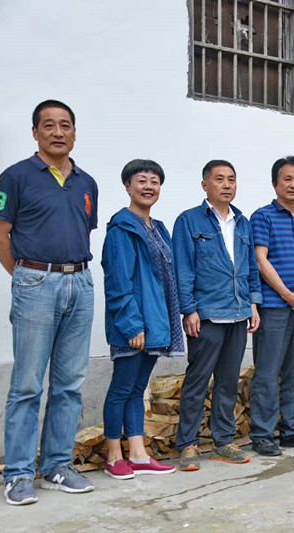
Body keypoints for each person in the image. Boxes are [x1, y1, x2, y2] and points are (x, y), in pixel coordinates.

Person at [0, 100, 98, 505]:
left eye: (65, 125)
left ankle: (57, 466)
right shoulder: (16, 177)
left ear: (74, 133)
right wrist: (26, 277)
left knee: (70, 384)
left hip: (80, 283)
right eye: (48, 125)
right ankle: (18, 474)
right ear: (35, 132)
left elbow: (81, 232)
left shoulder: (87, 183)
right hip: (35, 282)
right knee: (28, 385)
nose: (57, 132)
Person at [172, 160, 261, 471]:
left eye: (231, 180)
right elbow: (183, 268)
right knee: (197, 381)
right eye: (219, 179)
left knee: (227, 381)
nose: (226, 185)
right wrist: (189, 309)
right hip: (207, 313)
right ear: (205, 185)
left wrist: (253, 304)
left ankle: (223, 441)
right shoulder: (189, 221)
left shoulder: (243, 222)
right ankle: (187, 444)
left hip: (238, 312)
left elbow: (250, 267)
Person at [101, 159, 182, 479]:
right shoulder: (122, 228)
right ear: (127, 186)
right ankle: (113, 456)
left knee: (137, 389)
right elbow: (118, 281)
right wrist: (132, 325)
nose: (148, 187)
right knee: (121, 388)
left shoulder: (158, 228)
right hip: (133, 325)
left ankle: (138, 454)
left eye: (154, 181)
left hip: (155, 322)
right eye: (141, 180)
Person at [249, 156, 294, 456]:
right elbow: (260, 259)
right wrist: (287, 294)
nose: (293, 185)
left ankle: (292, 431)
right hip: (274, 307)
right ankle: (262, 434)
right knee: (268, 372)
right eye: (287, 179)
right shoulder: (262, 217)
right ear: (274, 183)